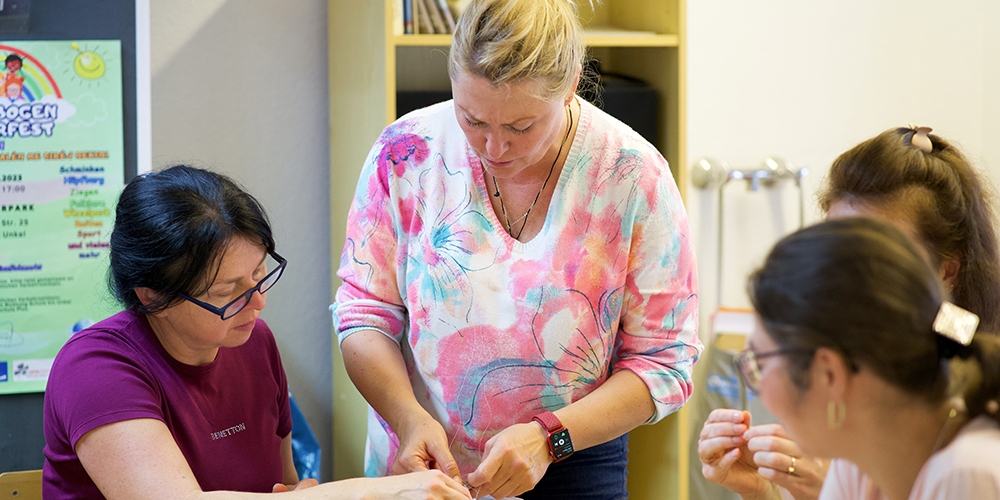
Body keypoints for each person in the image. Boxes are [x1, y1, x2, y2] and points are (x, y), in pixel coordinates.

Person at [331, 0, 702, 498]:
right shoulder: (407, 152)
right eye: (472, 119)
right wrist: (408, 418)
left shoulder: (632, 176)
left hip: (573, 456)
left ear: (571, 83)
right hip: (422, 457)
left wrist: (551, 439)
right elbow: (363, 313)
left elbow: (664, 362)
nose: (493, 149)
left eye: (520, 127)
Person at [42, 165, 471, 499]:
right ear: (153, 297)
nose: (258, 301)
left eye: (259, 274)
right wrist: (365, 491)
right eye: (229, 291)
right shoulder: (95, 368)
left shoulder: (253, 342)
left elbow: (281, 484)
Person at [698, 126, 1000, 500]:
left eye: (871, 259)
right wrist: (764, 492)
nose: (838, 286)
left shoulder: (967, 471)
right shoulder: (862, 441)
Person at [735, 217, 1000, 498]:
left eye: (760, 364)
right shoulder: (858, 465)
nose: (762, 392)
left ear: (829, 374)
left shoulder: (967, 477)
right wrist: (761, 493)